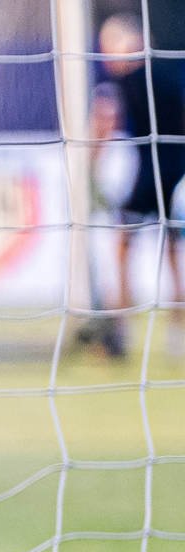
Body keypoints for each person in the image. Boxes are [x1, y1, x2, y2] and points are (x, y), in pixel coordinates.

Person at [84, 14, 184, 360]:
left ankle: (118, 333)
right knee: (174, 251)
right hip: (177, 172)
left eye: (111, 46)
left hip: (155, 173)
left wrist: (88, 170)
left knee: (124, 244)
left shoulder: (123, 82)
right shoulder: (171, 72)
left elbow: (104, 122)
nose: (107, 55)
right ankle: (177, 332)